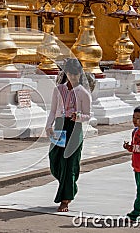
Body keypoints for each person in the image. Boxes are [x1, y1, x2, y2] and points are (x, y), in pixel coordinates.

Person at [45, 58, 92, 212]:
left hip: (75, 128)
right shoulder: (58, 89)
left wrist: (78, 117)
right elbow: (53, 110)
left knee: (69, 162)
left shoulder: (84, 93)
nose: (72, 77)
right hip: (59, 125)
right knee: (55, 160)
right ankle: (70, 185)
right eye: (70, 74)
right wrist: (48, 126)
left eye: (75, 74)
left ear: (80, 74)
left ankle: (65, 199)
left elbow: (88, 115)